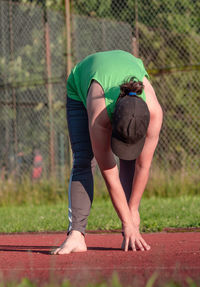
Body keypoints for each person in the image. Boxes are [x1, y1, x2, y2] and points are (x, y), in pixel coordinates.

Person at [53, 50, 163, 255]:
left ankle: (130, 235)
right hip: (83, 84)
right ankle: (76, 235)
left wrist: (133, 212)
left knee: (131, 160)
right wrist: (126, 221)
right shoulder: (100, 116)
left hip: (119, 70)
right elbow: (110, 174)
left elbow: (143, 165)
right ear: (111, 121)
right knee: (84, 159)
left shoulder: (154, 113)